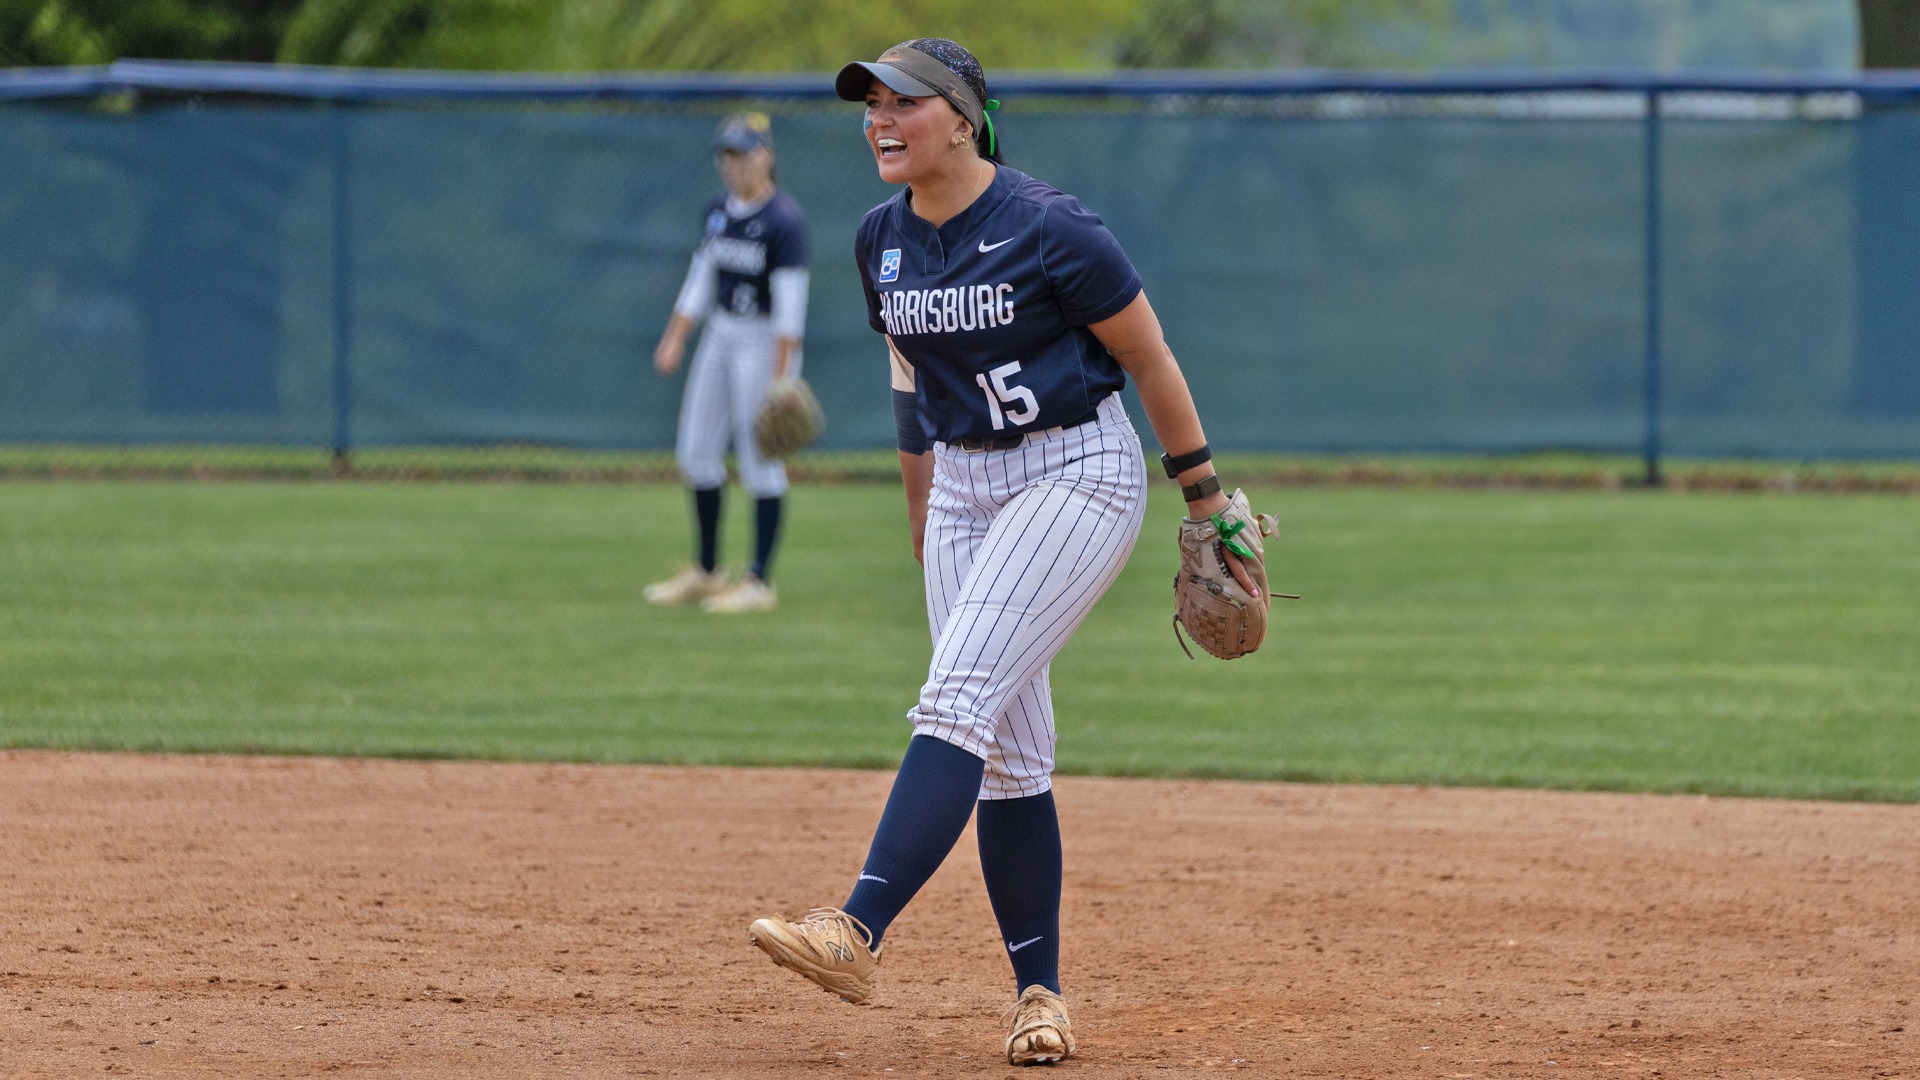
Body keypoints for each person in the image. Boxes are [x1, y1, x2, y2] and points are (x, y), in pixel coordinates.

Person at [747, 39, 1266, 1066]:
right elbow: (908, 381)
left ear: (964, 117)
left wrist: (1203, 501)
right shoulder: (878, 240)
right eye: (869, 107)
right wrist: (919, 506)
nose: (879, 121)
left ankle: (855, 929)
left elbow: (1147, 356)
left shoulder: (1048, 226)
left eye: (903, 103)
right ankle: (1041, 996)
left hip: (1075, 472)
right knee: (1009, 757)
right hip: (962, 488)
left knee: (955, 699)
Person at [645, 112, 810, 613]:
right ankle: (708, 571)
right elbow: (701, 278)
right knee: (695, 452)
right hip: (720, 333)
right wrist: (675, 337)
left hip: (764, 340)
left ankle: (759, 581)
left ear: (766, 155)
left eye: (742, 153)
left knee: (761, 461)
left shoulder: (784, 221)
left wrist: (783, 378)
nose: (732, 164)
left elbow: (790, 307)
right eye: (726, 154)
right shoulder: (717, 211)